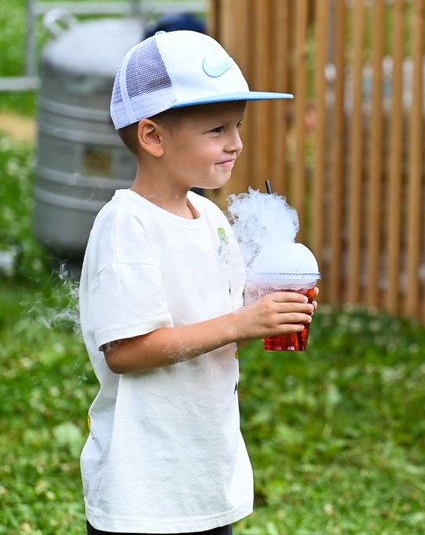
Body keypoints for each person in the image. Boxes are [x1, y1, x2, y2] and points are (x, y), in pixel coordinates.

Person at [78, 30, 316, 534]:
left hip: (205, 477)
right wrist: (242, 321)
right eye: (216, 130)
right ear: (153, 137)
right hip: (143, 492)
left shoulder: (209, 217)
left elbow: (218, 324)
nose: (237, 143)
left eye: (237, 126)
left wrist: (268, 307)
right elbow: (126, 351)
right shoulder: (127, 226)